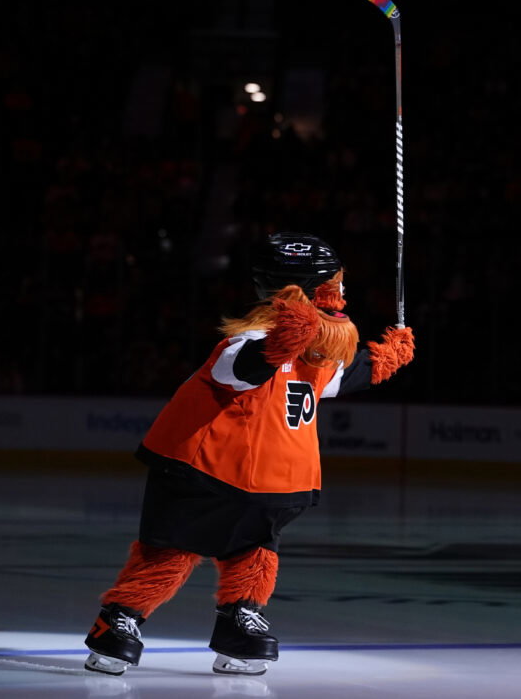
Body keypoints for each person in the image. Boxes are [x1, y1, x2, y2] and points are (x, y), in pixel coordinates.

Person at [83, 231, 415, 676]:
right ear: (301, 292)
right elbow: (241, 370)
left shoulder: (316, 357)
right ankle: (119, 619)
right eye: (331, 287)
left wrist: (386, 357)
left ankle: (239, 621)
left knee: (254, 554)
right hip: (205, 470)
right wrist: (283, 342)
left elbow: (344, 375)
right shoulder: (251, 340)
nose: (341, 297)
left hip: (272, 483)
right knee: (173, 551)